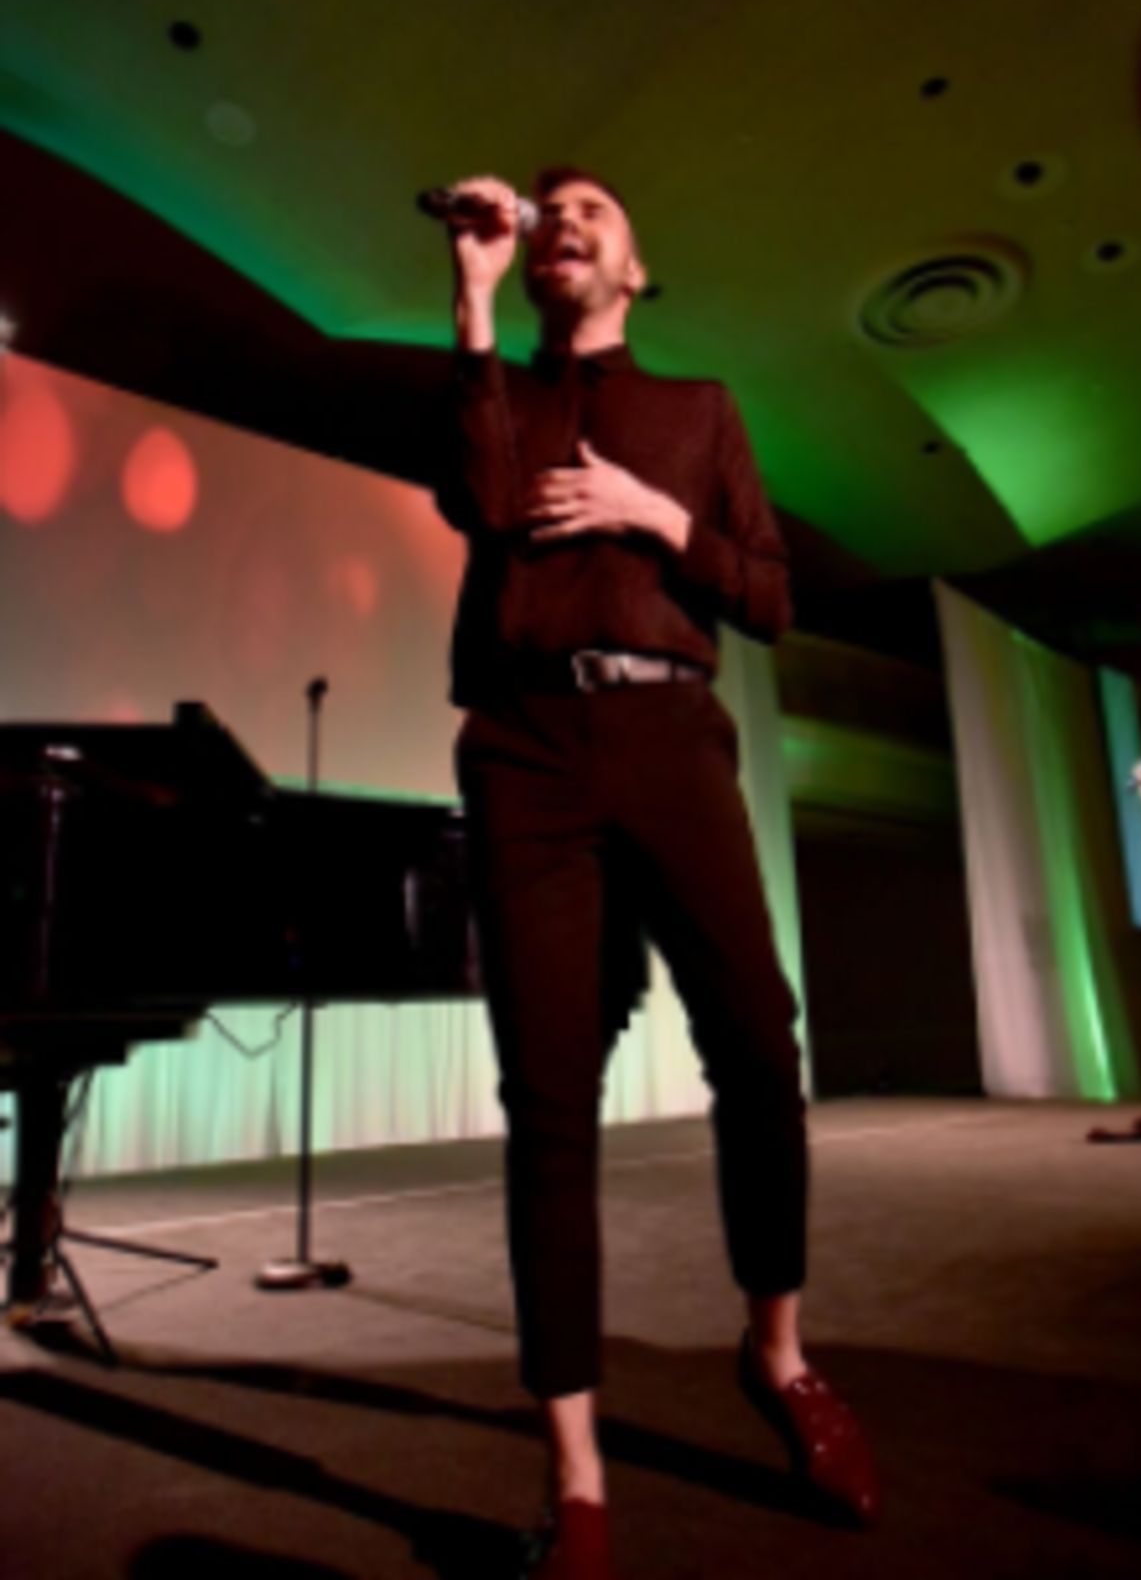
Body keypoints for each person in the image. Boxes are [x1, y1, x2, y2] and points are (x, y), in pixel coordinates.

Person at [435, 168, 878, 1578]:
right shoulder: (502, 390)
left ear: (637, 268)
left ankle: (779, 1355)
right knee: (548, 1101)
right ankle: (577, 1486)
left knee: (758, 1042)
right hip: (526, 751)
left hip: (668, 732)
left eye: (595, 213)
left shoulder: (700, 412)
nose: (567, 222)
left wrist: (650, 510)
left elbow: (770, 595)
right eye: (548, 211)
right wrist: (474, 300)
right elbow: (486, 500)